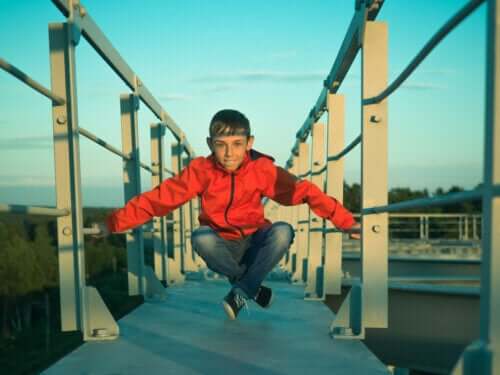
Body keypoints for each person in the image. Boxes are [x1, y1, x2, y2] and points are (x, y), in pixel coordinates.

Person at [96, 109, 360, 320]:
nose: (229, 152)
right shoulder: (201, 170)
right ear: (210, 144)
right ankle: (250, 287)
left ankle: (242, 290)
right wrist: (112, 224)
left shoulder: (261, 169)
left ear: (249, 143)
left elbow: (305, 191)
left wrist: (346, 222)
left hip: (255, 240)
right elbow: (158, 200)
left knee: (283, 232)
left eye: (237, 144)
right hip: (221, 244)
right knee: (201, 238)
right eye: (221, 145)